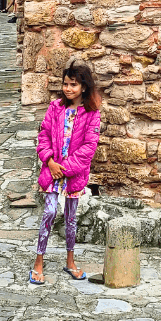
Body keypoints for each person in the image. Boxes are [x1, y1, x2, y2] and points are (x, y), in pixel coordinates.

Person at [30, 60, 101, 285]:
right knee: (49, 213)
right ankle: (38, 262)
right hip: (52, 172)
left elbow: (89, 147)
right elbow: (44, 135)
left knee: (71, 219)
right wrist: (50, 162)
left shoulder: (92, 113)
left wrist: (66, 169)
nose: (68, 89)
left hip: (73, 175)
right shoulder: (55, 108)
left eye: (73, 84)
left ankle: (70, 261)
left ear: (84, 87)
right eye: (66, 84)